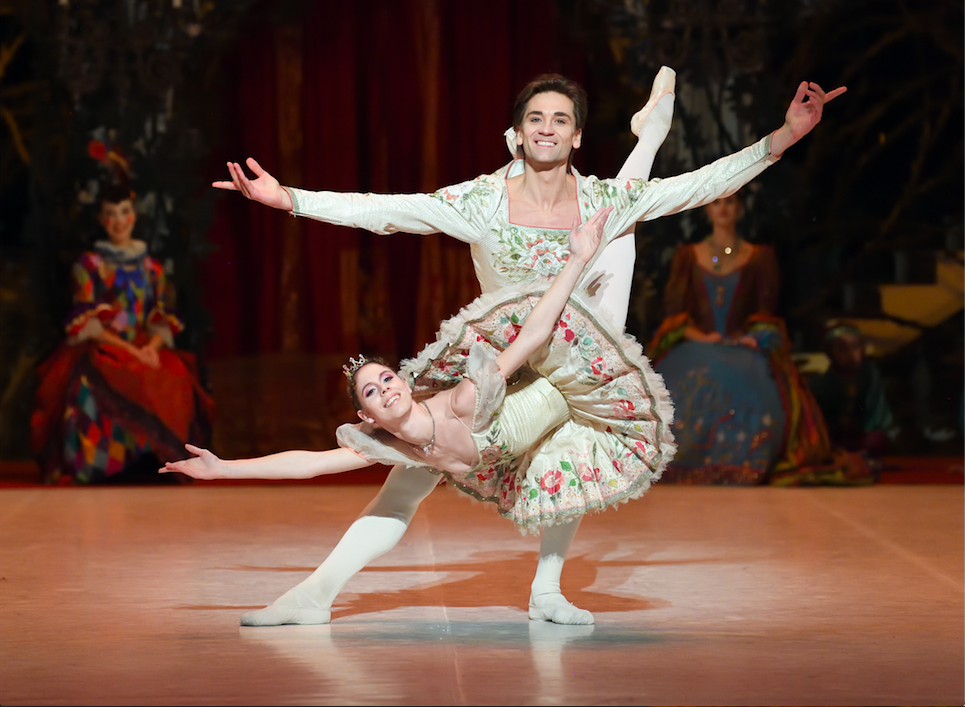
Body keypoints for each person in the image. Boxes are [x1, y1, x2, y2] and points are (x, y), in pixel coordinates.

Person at [208, 71, 845, 624]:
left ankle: (546, 590)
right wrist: (289, 199)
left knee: (600, 288)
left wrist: (785, 134)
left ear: (575, 137)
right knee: (408, 478)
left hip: (576, 353)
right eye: (535, 118)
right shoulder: (482, 202)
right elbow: (387, 211)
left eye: (560, 120)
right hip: (501, 361)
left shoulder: (600, 198)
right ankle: (315, 595)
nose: (546, 128)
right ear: (517, 135)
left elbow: (699, 187)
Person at [165, 205, 676, 627]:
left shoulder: (463, 400)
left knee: (618, 256)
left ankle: (647, 142)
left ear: (406, 383)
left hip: (572, 386)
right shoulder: (393, 445)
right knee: (396, 501)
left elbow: (532, 336)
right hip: (488, 448)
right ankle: (312, 598)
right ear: (365, 416)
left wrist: (577, 260)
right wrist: (223, 468)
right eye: (371, 390)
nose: (384, 388)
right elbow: (311, 463)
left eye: (387, 378)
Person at [646, 191, 837, 484]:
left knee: (743, 377)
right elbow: (676, 315)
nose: (723, 209)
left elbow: (764, 311)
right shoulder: (688, 256)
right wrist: (702, 336)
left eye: (730, 202)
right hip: (697, 344)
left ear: (740, 209)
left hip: (741, 345)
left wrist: (754, 337)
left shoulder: (758, 258)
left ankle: (742, 463)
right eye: (716, 202)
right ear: (706, 210)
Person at [31, 183, 215, 484]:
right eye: (111, 214)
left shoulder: (152, 268)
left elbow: (161, 317)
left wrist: (152, 347)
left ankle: (158, 462)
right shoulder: (90, 265)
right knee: (90, 380)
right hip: (105, 345)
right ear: (103, 220)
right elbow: (88, 324)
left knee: (175, 375)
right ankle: (102, 465)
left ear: (133, 216)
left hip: (143, 344)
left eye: (124, 213)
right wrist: (129, 350)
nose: (119, 221)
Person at [808, 322, 894, 460]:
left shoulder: (870, 375)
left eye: (855, 347)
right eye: (842, 348)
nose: (850, 354)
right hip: (833, 436)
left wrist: (867, 427)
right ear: (830, 353)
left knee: (876, 439)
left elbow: (875, 408)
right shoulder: (820, 385)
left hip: (861, 434)